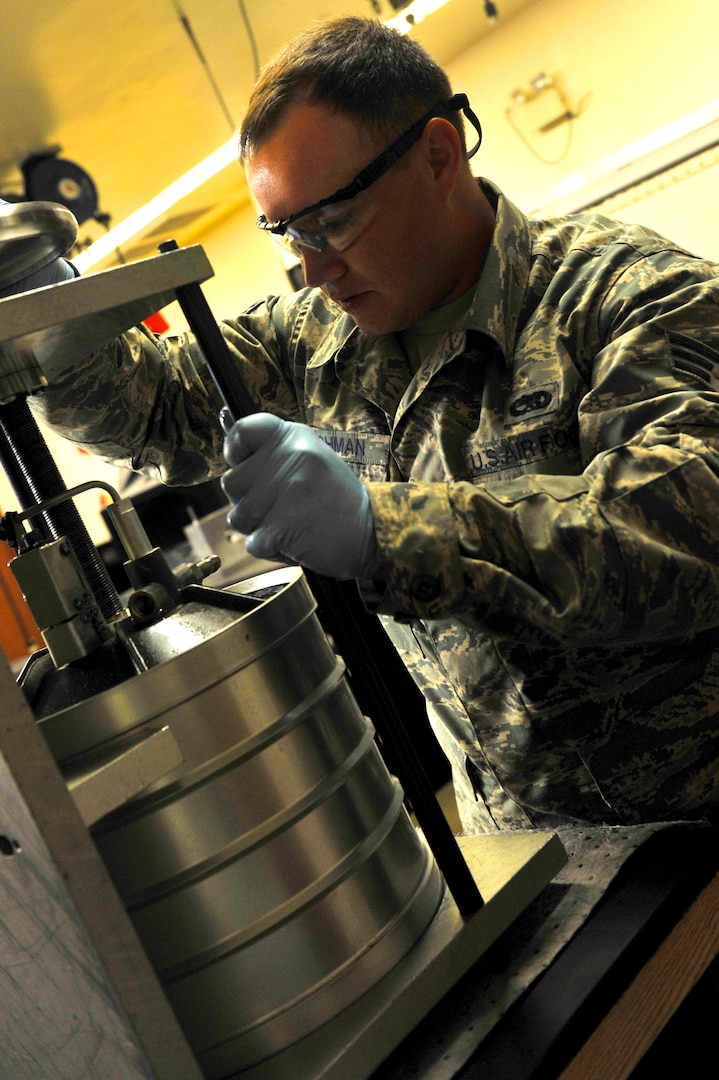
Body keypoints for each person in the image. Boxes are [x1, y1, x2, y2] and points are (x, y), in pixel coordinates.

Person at [17, 16, 719, 834]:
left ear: (437, 155)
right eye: (284, 233)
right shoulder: (313, 342)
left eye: (330, 222)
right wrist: (38, 298)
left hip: (696, 830)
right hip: (530, 844)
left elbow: (691, 526)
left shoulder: (627, 296)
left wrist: (382, 529)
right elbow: (153, 408)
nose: (311, 269)